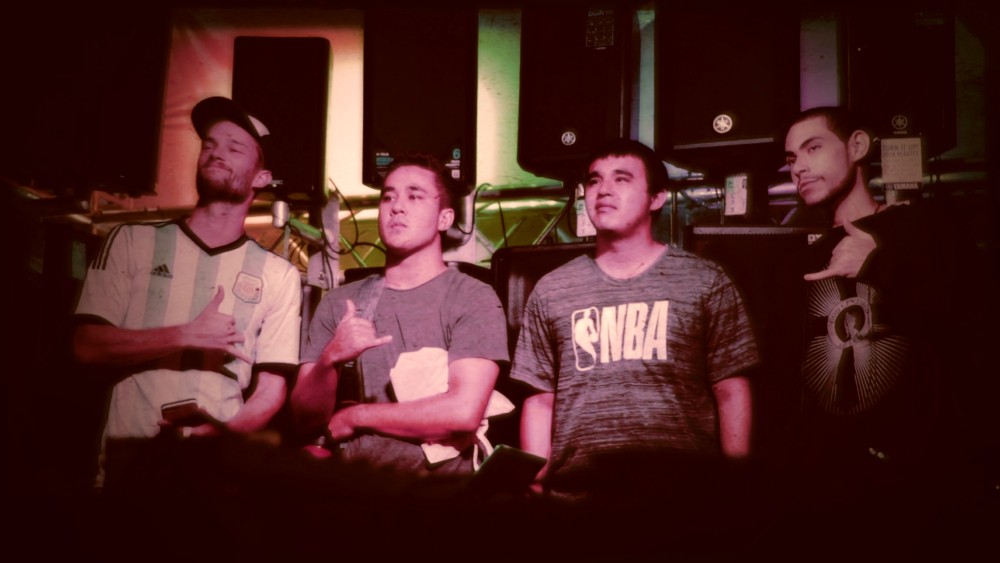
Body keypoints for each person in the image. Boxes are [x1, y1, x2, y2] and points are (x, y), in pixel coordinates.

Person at [767, 106, 991, 555]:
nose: (800, 167)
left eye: (813, 148)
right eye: (791, 159)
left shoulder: (924, 227)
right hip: (826, 499)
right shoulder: (796, 262)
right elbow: (789, 380)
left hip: (920, 497)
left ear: (857, 146)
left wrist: (879, 264)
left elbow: (976, 323)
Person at [73, 97, 302, 487]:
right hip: (124, 472)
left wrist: (218, 437)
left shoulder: (279, 274)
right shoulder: (131, 240)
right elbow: (86, 346)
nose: (216, 153)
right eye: (209, 144)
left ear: (261, 178)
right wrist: (186, 334)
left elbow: (271, 391)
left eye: (234, 148)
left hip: (213, 480)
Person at [511, 139, 758, 499]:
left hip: (680, 495)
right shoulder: (552, 288)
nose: (603, 190)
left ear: (656, 198)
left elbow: (731, 387)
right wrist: (535, 486)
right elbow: (540, 399)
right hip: (576, 498)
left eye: (621, 179)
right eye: (594, 180)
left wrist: (737, 481)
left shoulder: (704, 280)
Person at [292, 154, 508, 476]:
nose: (397, 207)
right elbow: (304, 420)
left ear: (445, 218)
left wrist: (355, 416)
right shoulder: (340, 302)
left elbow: (462, 412)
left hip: (439, 493)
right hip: (352, 488)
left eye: (415, 196)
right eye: (388, 197)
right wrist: (329, 359)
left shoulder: (472, 297)